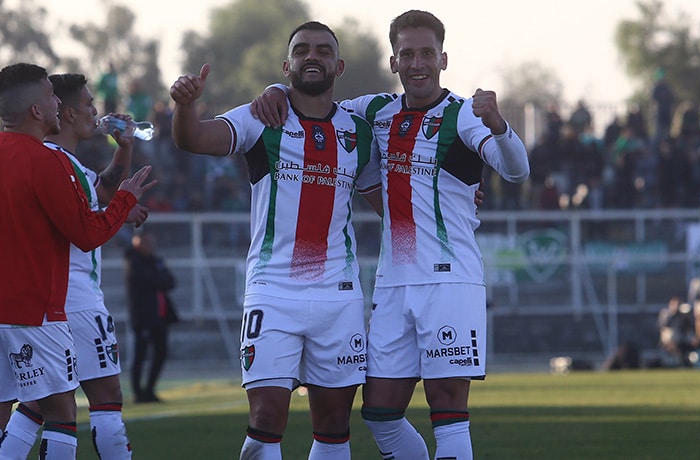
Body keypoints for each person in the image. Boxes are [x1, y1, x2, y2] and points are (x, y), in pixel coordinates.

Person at [252, 10, 530, 459]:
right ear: (394, 62)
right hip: (393, 282)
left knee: (446, 404)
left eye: (426, 53)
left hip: (448, 278)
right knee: (380, 410)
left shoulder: (462, 117)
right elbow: (315, 99)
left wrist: (498, 124)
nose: (417, 63)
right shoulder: (373, 111)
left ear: (443, 59)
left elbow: (517, 170)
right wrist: (276, 89)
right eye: (407, 54)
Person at [170, 21, 383, 459]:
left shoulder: (359, 134)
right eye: (302, 49)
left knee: (333, 422)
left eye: (323, 50)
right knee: (266, 417)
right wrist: (185, 107)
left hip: (337, 296)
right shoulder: (261, 117)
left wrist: (459, 198)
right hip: (273, 290)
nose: (313, 56)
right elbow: (193, 138)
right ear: (287, 65)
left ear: (338, 66)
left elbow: (389, 202)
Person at [0, 62, 155, 460]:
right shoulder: (49, 161)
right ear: (37, 111)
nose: (57, 102)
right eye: (50, 95)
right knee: (61, 414)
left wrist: (116, 203)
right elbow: (86, 234)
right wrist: (125, 200)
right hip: (34, 307)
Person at [124, 230, 177, 403]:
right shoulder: (134, 261)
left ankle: (149, 390)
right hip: (142, 317)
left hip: (160, 316)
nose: (149, 247)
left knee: (161, 353)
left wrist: (158, 279)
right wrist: (158, 279)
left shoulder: (156, 261)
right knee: (140, 355)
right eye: (145, 243)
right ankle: (138, 393)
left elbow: (170, 282)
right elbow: (153, 280)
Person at [657, 296, 695, 367]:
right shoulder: (666, 314)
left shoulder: (683, 316)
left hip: (682, 340)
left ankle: (686, 361)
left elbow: (688, 328)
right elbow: (664, 326)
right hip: (669, 340)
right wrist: (673, 313)